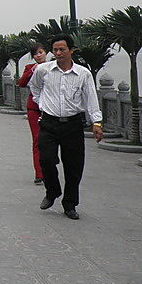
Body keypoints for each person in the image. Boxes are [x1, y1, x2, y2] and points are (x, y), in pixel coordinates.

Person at [29, 34, 103, 220]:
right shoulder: (43, 70)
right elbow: (34, 88)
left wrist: (96, 122)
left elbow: (90, 98)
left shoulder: (83, 73)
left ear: (71, 50)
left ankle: (70, 204)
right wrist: (41, 103)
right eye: (55, 50)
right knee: (46, 159)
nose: (58, 53)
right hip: (49, 122)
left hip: (72, 124)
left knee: (73, 166)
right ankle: (52, 191)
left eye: (62, 49)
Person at [17, 43, 48, 185]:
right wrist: (32, 71)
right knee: (37, 139)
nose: (39, 55)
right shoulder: (30, 68)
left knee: (50, 141)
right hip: (34, 109)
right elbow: (21, 83)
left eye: (41, 52)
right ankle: (39, 173)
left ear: (46, 53)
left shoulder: (53, 67)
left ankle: (49, 168)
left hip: (50, 109)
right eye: (36, 54)